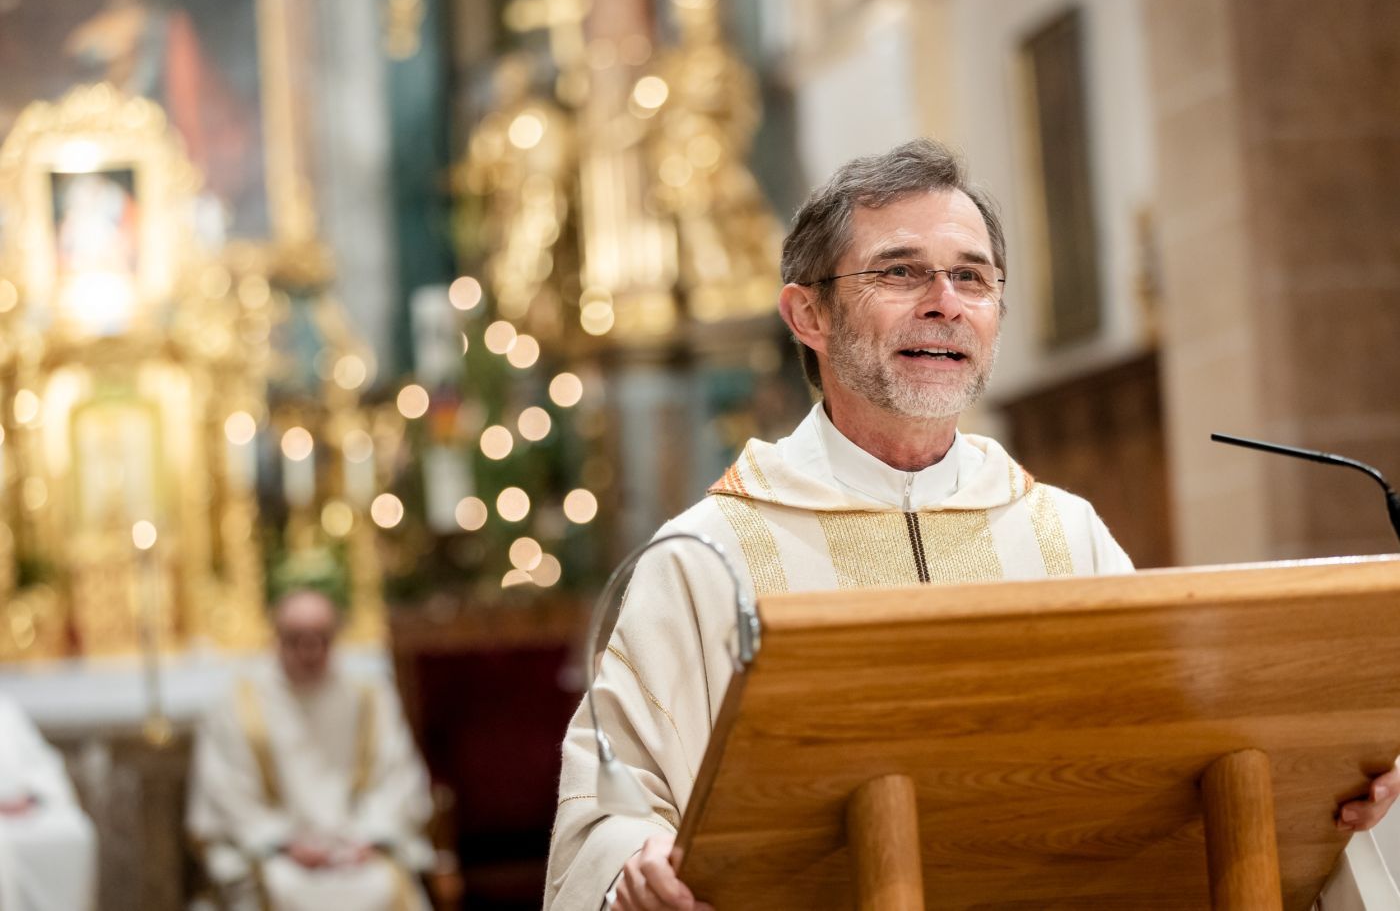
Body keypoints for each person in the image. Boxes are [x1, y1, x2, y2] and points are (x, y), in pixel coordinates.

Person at [543, 139, 1399, 910]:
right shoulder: (707, 558)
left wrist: (1315, 780)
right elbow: (609, 812)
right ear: (809, 316)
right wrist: (634, 867)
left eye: (973, 277)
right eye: (900, 272)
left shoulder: (1064, 535)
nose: (945, 303)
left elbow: (1176, 765)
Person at [188, 589, 434, 911]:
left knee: (382, 886)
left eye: (320, 638)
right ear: (276, 637)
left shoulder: (368, 697)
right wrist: (283, 842)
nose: (309, 651)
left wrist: (369, 837)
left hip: (358, 849)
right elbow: (226, 790)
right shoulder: (239, 703)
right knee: (283, 888)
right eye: (296, 639)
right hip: (279, 856)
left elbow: (397, 777)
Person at [0, 694, 97, 911]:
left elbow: (46, 768)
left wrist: (32, 798)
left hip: (22, 811)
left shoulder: (5, 710)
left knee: (75, 830)